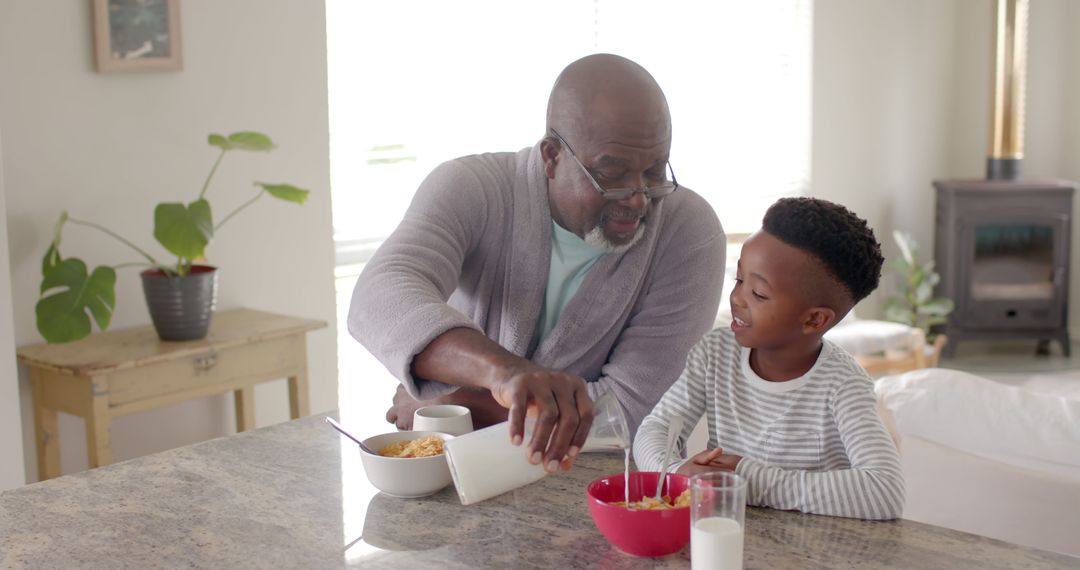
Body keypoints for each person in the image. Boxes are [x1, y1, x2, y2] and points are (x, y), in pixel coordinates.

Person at [348, 54, 726, 474]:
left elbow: (639, 414)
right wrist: (502, 373)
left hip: (597, 491)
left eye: (654, 171)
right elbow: (379, 295)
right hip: (449, 474)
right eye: (611, 173)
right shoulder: (472, 189)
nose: (638, 198)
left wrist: (449, 402)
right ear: (551, 156)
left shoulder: (688, 230)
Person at [633, 197, 905, 520]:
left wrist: (749, 479)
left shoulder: (842, 385)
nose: (736, 298)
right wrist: (678, 473)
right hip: (730, 533)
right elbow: (656, 428)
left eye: (758, 294)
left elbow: (884, 491)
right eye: (739, 279)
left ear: (814, 320)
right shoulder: (715, 354)